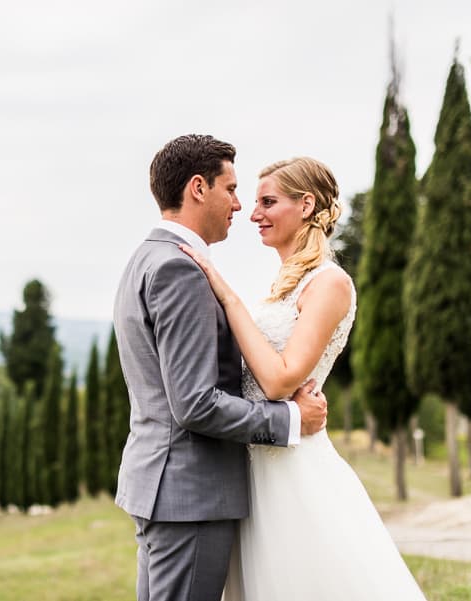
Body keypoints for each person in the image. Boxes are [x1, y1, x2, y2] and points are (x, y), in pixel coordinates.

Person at [180, 156, 426, 601]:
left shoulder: (330, 283)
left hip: (292, 470)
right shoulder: (283, 283)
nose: (253, 214)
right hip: (253, 464)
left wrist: (226, 296)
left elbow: (279, 381)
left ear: (307, 204)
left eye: (267, 202)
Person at [112, 134, 328, 601]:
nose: (238, 205)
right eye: (229, 189)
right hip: (190, 493)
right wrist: (292, 418)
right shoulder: (179, 269)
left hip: (162, 486)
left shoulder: (145, 258)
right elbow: (193, 404)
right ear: (197, 188)